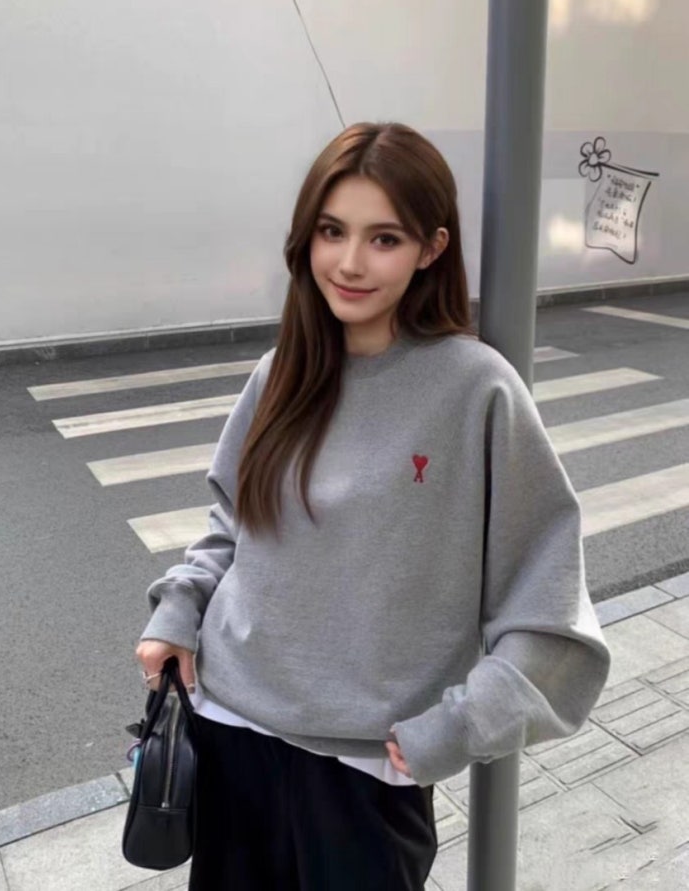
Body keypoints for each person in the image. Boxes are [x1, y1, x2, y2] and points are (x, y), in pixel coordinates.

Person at [136, 121, 610, 890]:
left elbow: (547, 600)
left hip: (366, 768)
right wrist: (177, 611)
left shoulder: (475, 389)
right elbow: (232, 525)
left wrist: (458, 725)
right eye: (331, 231)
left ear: (430, 248)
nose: (349, 262)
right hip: (230, 730)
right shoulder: (279, 372)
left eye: (383, 238)